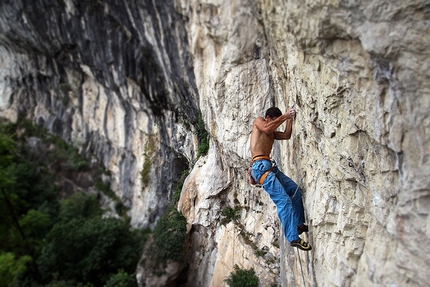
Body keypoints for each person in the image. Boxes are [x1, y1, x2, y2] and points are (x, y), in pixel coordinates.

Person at [249, 106, 311, 251]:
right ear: (268, 118)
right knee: (283, 201)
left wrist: (289, 120)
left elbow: (286, 135)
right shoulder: (260, 122)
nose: (275, 124)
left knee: (294, 190)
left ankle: (299, 224)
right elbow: (266, 128)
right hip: (260, 167)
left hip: (270, 167)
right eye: (274, 121)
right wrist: (285, 116)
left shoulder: (271, 133)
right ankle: (293, 238)